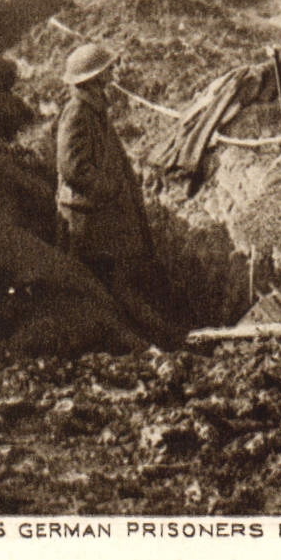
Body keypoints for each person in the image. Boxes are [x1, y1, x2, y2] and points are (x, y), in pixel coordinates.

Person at [55, 43, 176, 348]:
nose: (112, 74)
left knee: (111, 281)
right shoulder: (78, 113)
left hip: (98, 215)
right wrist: (110, 187)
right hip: (87, 218)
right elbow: (72, 168)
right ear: (93, 78)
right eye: (106, 70)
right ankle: (119, 344)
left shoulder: (93, 108)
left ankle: (134, 337)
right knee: (98, 286)